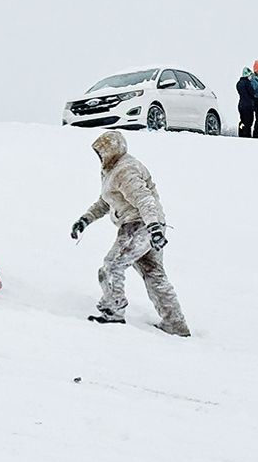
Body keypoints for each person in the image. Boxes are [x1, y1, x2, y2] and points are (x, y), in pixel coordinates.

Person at [69, 130, 190, 337]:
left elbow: (144, 199)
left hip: (140, 225)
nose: (100, 156)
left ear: (113, 150)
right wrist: (85, 220)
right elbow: (105, 202)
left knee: (112, 265)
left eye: (102, 151)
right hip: (147, 226)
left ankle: (113, 311)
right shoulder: (112, 171)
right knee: (154, 274)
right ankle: (175, 324)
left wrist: (152, 228)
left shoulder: (125, 170)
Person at [236, 67, 255, 138]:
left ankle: (241, 132)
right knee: (249, 121)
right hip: (248, 105)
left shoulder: (239, 83)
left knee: (242, 120)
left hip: (241, 105)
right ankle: (247, 135)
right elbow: (252, 93)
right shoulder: (248, 83)